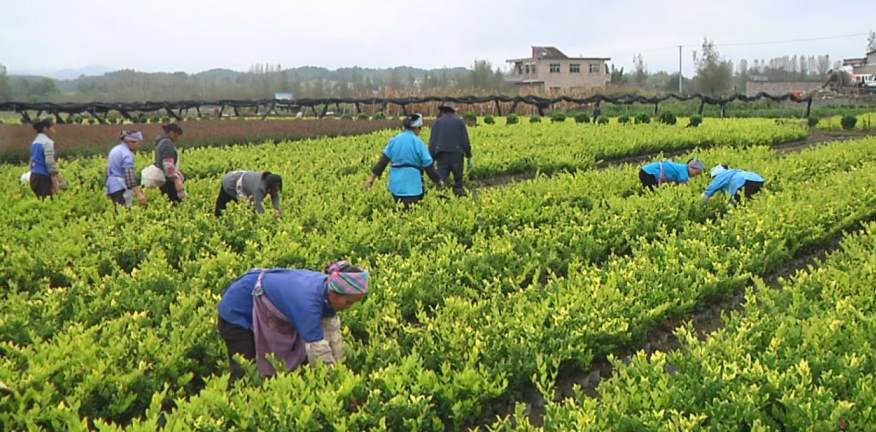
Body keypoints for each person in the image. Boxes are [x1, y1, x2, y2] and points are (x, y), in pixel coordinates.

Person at [217, 260, 369, 382]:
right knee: (245, 372)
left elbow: (331, 333)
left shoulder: (326, 290)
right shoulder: (308, 302)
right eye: (348, 302)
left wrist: (340, 367)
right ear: (335, 292)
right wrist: (334, 382)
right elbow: (318, 350)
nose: (349, 307)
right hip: (238, 309)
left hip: (264, 297)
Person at [364, 113, 443, 209]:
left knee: (398, 212)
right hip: (412, 187)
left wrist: (371, 179)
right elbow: (428, 167)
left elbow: (382, 162)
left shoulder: (394, 140)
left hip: (396, 186)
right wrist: (438, 181)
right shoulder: (418, 142)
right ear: (417, 128)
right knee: (411, 214)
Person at [429, 102, 473, 196]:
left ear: (443, 112)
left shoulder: (437, 123)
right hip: (457, 155)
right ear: (453, 111)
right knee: (458, 182)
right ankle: (460, 202)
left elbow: (432, 143)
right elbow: (465, 140)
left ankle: (440, 202)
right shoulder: (459, 122)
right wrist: (469, 156)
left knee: (441, 182)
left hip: (442, 156)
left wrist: (431, 159)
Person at [106, 130, 147, 209]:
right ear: (131, 142)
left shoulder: (115, 149)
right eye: (137, 143)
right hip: (121, 187)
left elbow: (107, 170)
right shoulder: (127, 154)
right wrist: (139, 194)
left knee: (117, 211)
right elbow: (130, 178)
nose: (138, 145)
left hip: (112, 187)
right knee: (123, 211)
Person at [215, 171, 283, 217]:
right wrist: (266, 218)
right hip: (231, 182)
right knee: (225, 206)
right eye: (275, 188)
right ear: (269, 186)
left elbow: (275, 196)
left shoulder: (271, 182)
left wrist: (277, 210)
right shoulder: (259, 188)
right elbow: (258, 205)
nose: (276, 190)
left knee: (249, 208)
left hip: (242, 180)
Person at [28, 118, 61, 198]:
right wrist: (56, 181)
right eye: (52, 128)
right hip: (43, 179)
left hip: (34, 176)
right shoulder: (47, 142)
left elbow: (31, 162)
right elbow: (50, 163)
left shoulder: (35, 142)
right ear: (45, 129)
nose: (54, 131)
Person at [154, 123, 186, 203]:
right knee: (175, 203)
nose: (178, 138)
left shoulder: (161, 142)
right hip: (169, 182)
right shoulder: (167, 143)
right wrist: (176, 180)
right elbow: (168, 165)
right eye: (177, 135)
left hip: (165, 180)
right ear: (172, 133)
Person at [639, 158, 705, 190]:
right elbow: (682, 189)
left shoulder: (683, 168)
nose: (696, 175)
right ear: (692, 168)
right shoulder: (684, 173)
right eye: (697, 173)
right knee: (652, 193)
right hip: (649, 173)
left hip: (644, 171)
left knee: (649, 192)